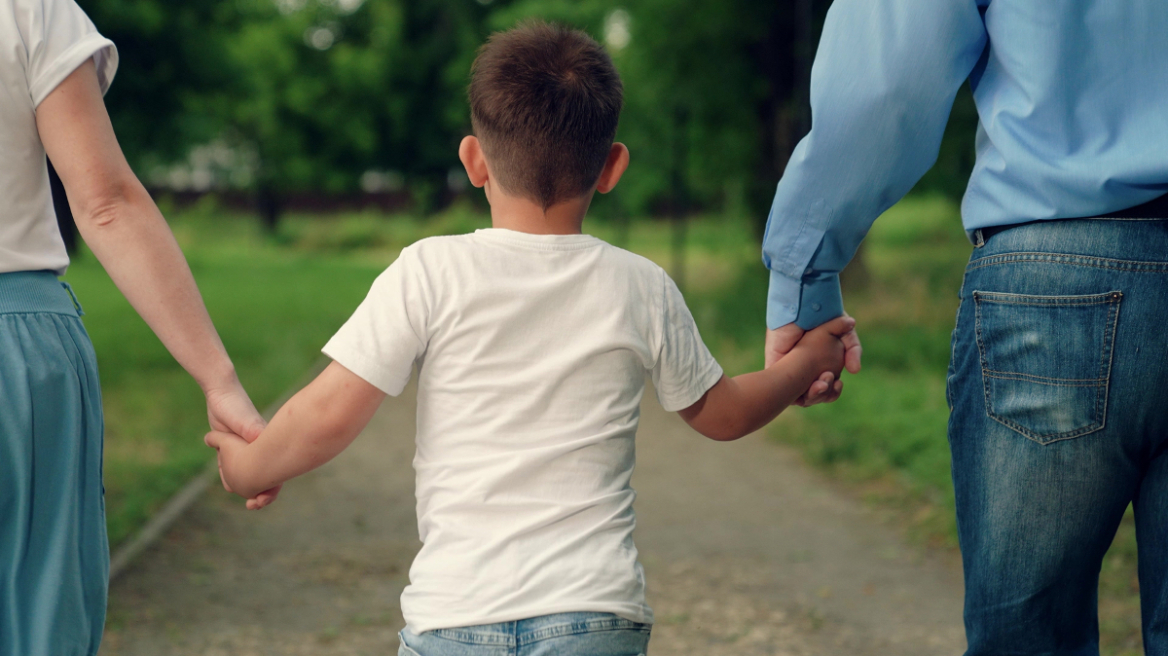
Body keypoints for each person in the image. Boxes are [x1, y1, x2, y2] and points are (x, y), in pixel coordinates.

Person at [204, 21, 852, 656]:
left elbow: (327, 415)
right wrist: (806, 362)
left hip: (456, 617)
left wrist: (251, 464)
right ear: (613, 167)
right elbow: (725, 413)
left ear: (474, 160)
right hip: (595, 614)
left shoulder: (429, 270)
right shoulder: (640, 285)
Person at [760, 0, 1168, 653]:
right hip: (1051, 285)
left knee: (1026, 636)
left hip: (1051, 282)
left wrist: (803, 281)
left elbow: (886, 86)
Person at [0, 1, 277, 654]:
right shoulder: (29, 9)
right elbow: (105, 203)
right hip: (19, 360)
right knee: (40, 618)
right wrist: (219, 379)